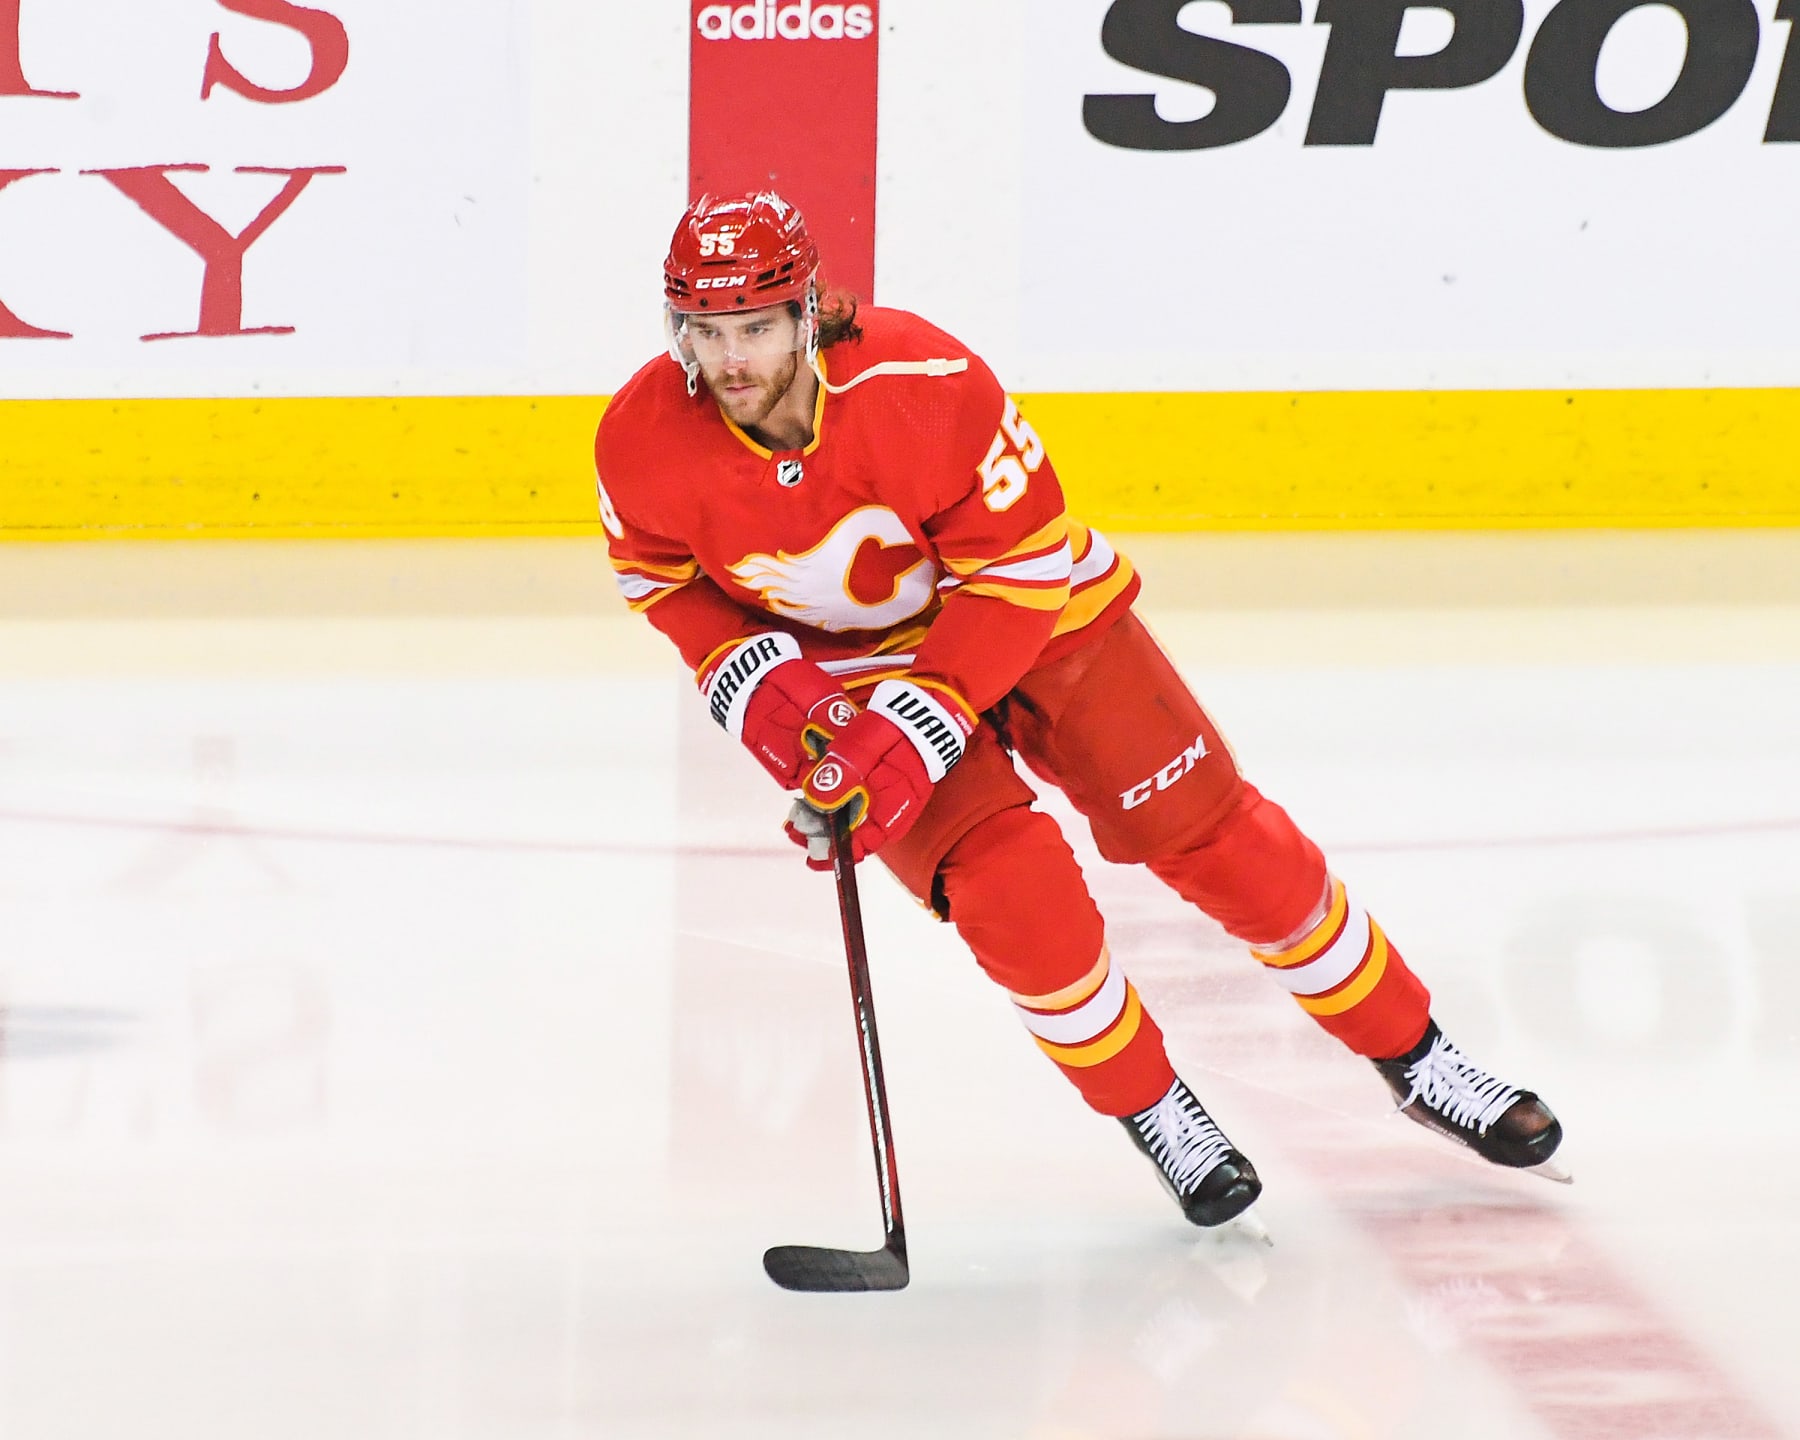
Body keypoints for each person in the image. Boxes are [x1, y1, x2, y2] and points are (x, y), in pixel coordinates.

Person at [594, 190, 1566, 1229]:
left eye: (753, 327)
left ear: (806, 313)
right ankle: (1157, 1111)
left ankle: (1421, 1060)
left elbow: (1020, 571)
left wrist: (919, 724)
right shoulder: (641, 438)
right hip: (857, 679)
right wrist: (771, 697)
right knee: (1017, 902)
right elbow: (661, 579)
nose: (731, 359)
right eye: (705, 330)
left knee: (1225, 844)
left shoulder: (926, 380)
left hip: (1041, 623)